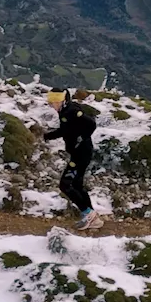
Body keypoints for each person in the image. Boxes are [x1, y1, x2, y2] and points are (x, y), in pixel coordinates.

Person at [45, 89, 103, 230]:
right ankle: (92, 217)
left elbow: (91, 124)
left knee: (65, 185)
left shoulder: (72, 111)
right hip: (80, 153)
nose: (52, 105)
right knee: (77, 185)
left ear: (63, 100)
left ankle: (89, 214)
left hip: (81, 154)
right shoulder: (64, 112)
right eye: (51, 102)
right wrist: (46, 136)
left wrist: (80, 139)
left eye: (55, 102)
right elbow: (65, 130)